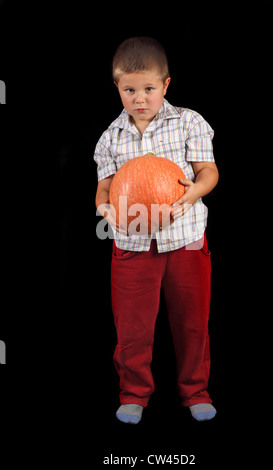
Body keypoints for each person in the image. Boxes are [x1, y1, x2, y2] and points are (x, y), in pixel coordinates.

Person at [94, 37, 219, 424]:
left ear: (165, 85)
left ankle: (195, 392)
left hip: (185, 241)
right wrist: (102, 207)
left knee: (192, 324)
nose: (140, 98)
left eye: (149, 88)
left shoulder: (188, 121)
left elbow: (208, 172)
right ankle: (133, 394)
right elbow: (104, 187)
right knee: (132, 329)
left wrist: (191, 194)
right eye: (130, 90)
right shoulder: (110, 138)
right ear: (117, 87)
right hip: (132, 244)